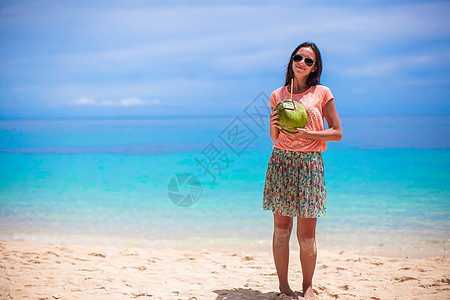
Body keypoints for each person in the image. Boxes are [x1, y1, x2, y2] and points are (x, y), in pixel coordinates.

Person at [263, 42, 342, 300]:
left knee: (306, 235)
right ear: (292, 60)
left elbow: (337, 133)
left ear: (315, 66)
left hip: (310, 164)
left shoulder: (322, 93)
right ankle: (284, 287)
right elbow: (275, 138)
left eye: (309, 60)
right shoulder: (278, 95)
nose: (302, 63)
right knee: (281, 229)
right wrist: (273, 124)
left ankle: (308, 286)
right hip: (282, 161)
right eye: (298, 58)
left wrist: (310, 133)